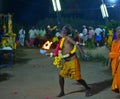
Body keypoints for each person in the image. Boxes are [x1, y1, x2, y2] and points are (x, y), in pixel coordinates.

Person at [48, 24, 92, 97]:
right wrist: (52, 54)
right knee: (60, 75)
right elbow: (60, 52)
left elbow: (77, 45)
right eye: (61, 30)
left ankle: (87, 88)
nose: (61, 31)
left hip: (73, 61)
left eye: (63, 30)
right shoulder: (62, 40)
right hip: (67, 62)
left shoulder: (68, 38)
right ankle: (62, 91)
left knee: (78, 79)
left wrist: (83, 54)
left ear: (66, 31)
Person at [108, 26, 120, 93]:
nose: (119, 33)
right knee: (115, 75)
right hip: (114, 62)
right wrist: (109, 63)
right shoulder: (114, 42)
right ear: (116, 33)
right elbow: (111, 53)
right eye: (118, 32)